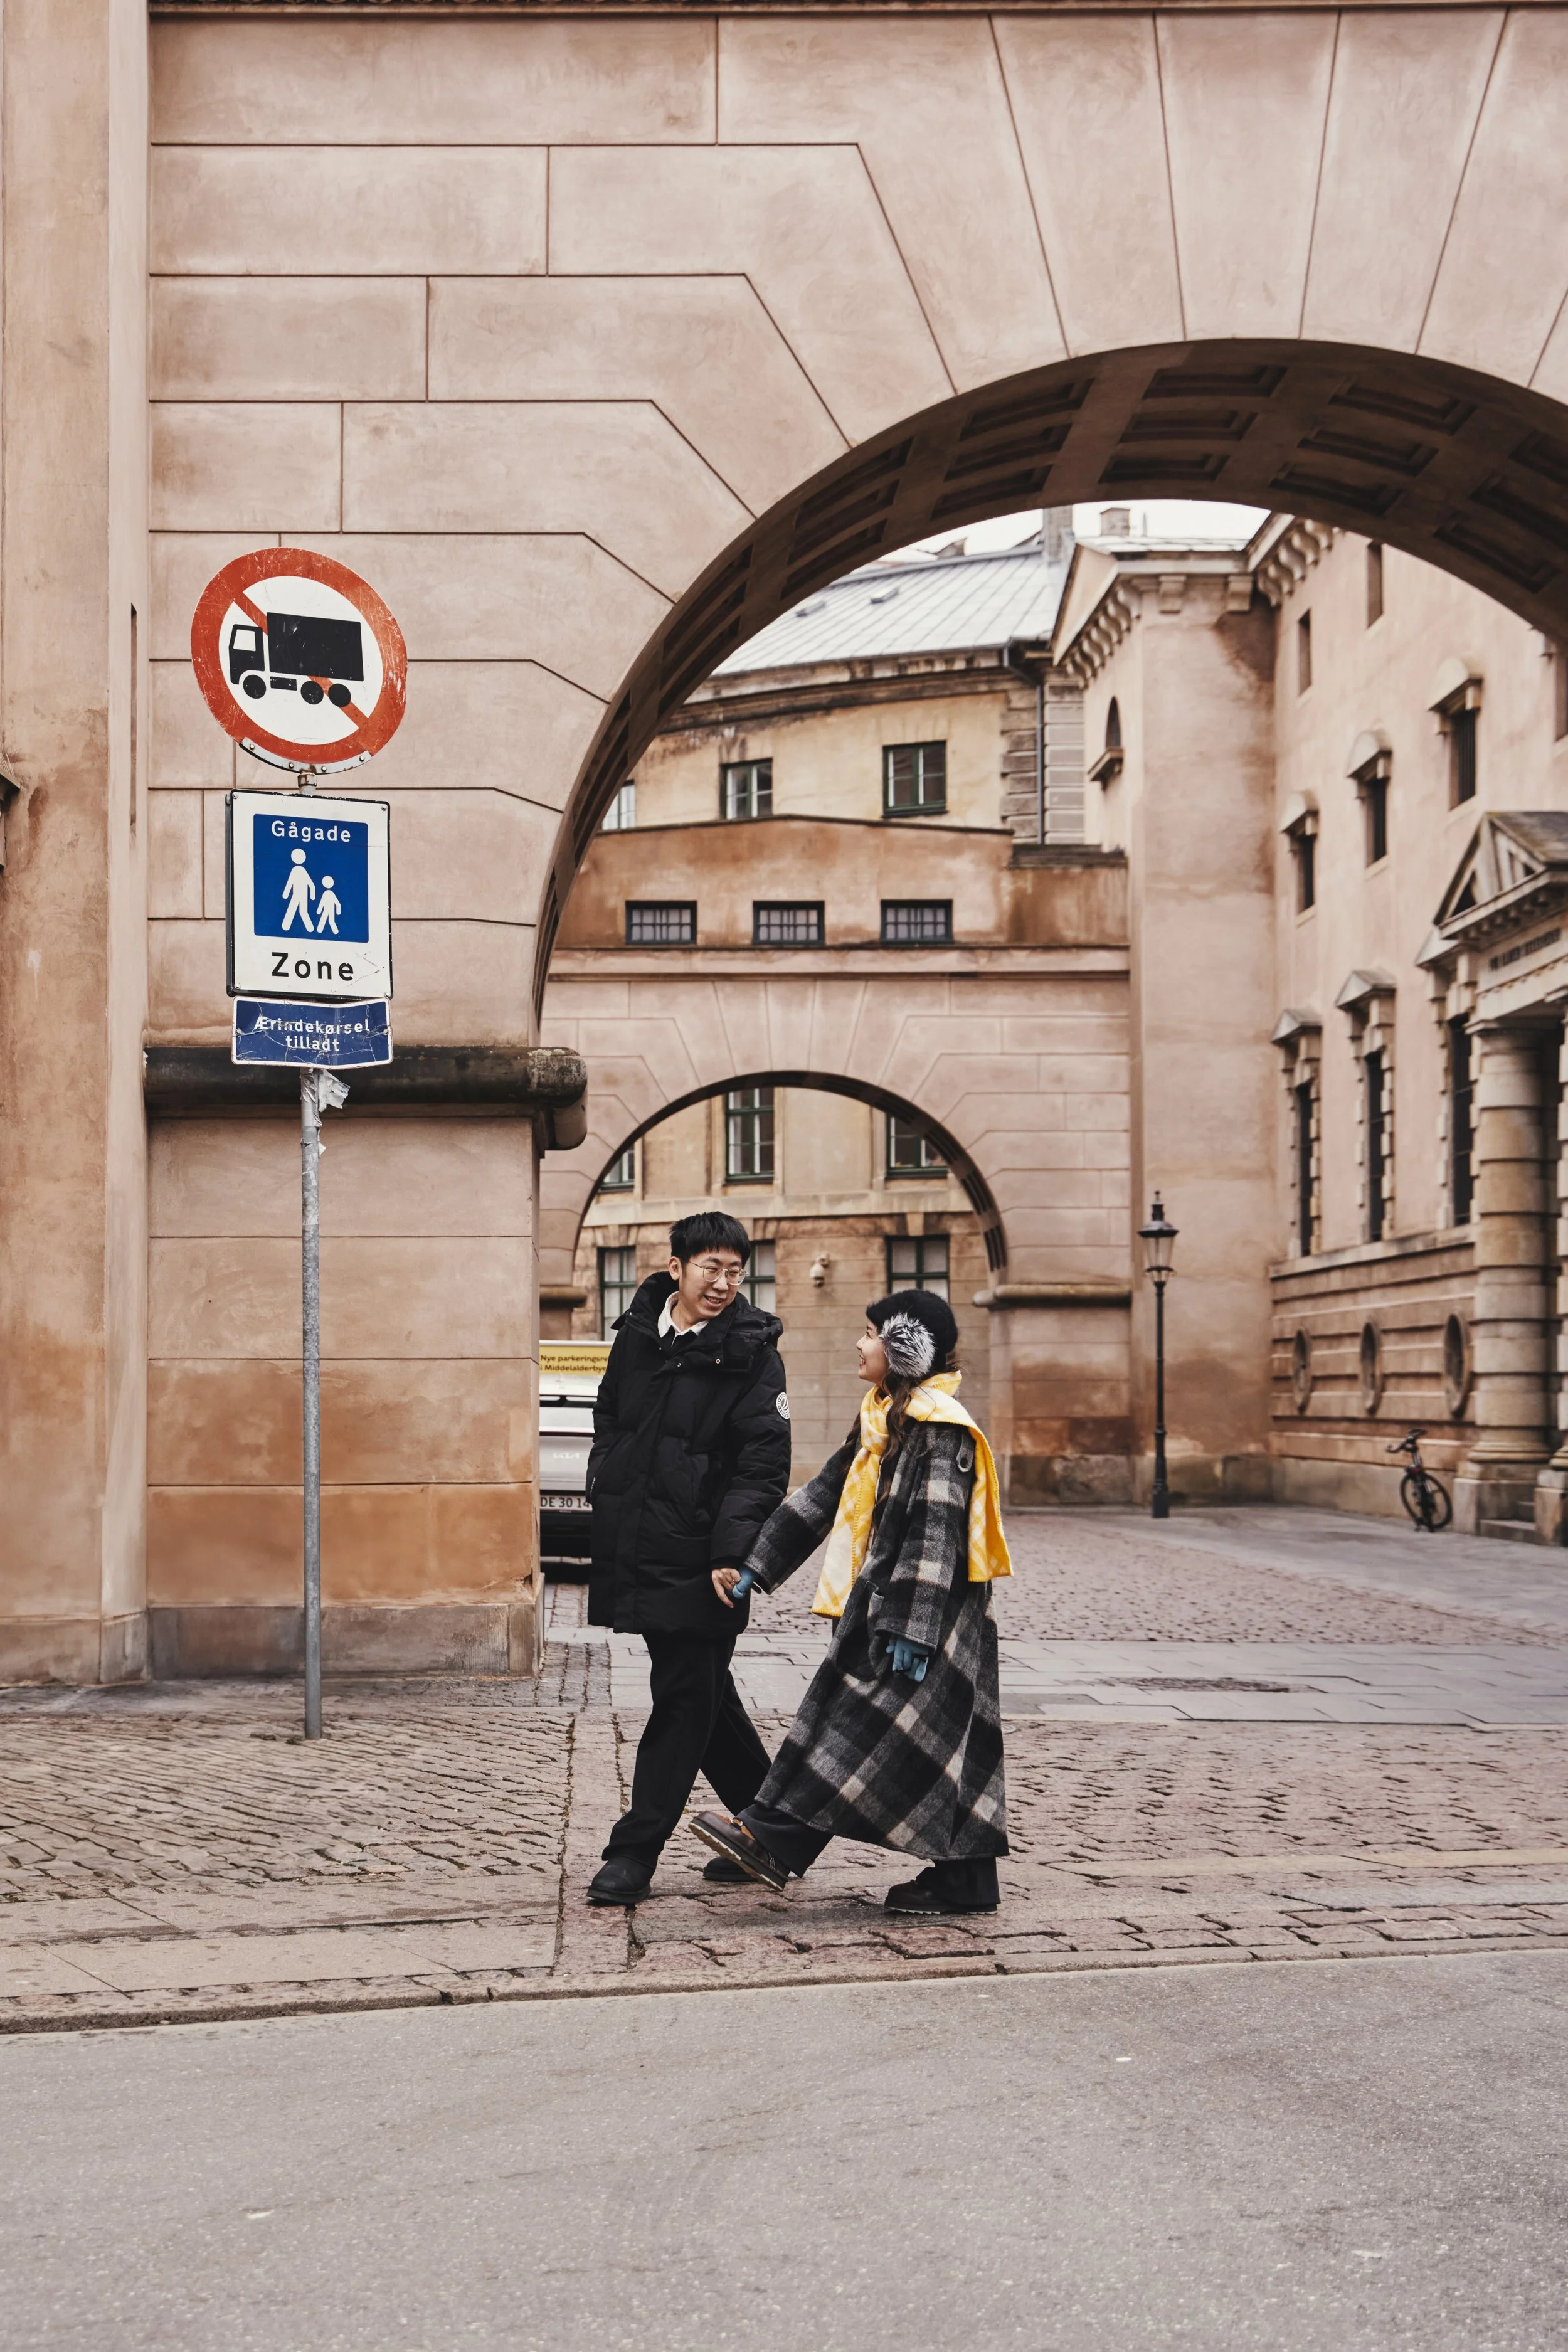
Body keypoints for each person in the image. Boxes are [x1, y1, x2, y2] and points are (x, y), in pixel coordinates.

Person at [692, 1288, 1011, 1915]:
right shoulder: (882, 1418)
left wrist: (911, 1630)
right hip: (892, 1609)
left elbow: (934, 1536)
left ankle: (775, 1840)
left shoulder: (938, 1430)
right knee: (941, 1744)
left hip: (925, 1622)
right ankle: (968, 1880)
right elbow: (821, 1496)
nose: (859, 1345)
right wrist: (757, 1564)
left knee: (853, 1725)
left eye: (870, 1334)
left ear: (902, 1349)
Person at [584, 1212, 792, 1906]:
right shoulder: (639, 1336)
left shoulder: (753, 1351)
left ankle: (633, 1850)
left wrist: (734, 1551)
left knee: (680, 1697)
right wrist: (606, 1475)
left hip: (706, 1555)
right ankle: (774, 1830)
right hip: (641, 1539)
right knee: (704, 1694)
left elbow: (762, 1465)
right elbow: (609, 1417)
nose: (724, 1284)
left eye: (736, 1271)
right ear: (676, 1268)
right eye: (711, 1268)